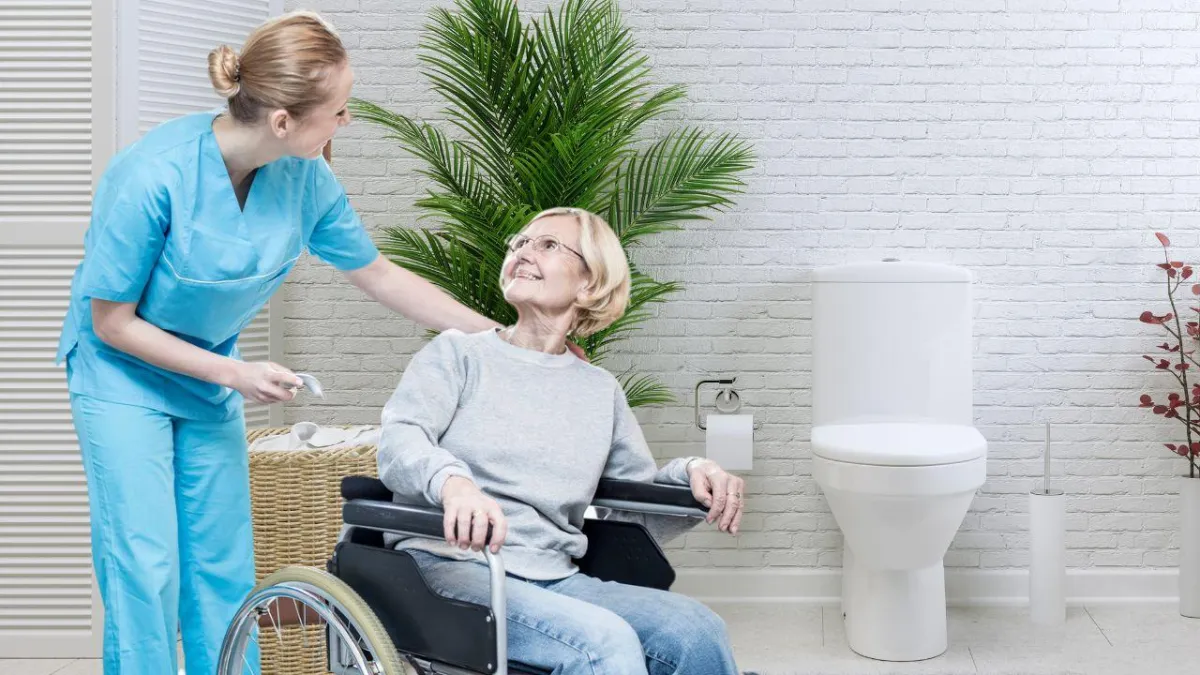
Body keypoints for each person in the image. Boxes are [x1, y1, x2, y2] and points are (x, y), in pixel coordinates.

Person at [55, 11, 546, 675]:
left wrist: (501, 337)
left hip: (210, 378)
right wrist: (234, 373)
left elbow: (380, 275)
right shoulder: (150, 175)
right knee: (146, 565)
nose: (347, 123)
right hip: (121, 376)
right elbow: (112, 321)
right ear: (283, 120)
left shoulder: (305, 177)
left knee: (222, 565)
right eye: (339, 111)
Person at [378, 207, 748, 674]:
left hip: (555, 575)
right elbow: (400, 439)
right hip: (450, 568)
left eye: (548, 245)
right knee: (605, 645)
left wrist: (693, 473)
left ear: (588, 285)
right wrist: (455, 484)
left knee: (696, 630)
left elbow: (634, 507)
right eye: (520, 243)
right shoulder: (458, 354)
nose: (522, 252)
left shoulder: (599, 390)